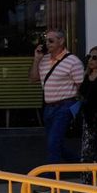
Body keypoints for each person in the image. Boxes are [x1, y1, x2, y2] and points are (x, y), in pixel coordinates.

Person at [34, 29, 83, 165]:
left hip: (65, 106)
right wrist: (37, 60)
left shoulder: (73, 62)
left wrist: (76, 109)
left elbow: (81, 87)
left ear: (61, 41)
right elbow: (33, 78)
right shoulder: (43, 60)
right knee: (55, 144)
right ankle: (83, 164)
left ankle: (51, 181)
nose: (47, 44)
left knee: (53, 143)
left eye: (51, 41)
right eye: (46, 41)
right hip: (48, 106)